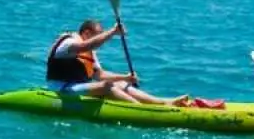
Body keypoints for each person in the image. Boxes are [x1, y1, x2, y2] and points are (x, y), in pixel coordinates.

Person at [46, 19, 188, 106]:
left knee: (121, 84)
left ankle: (163, 102)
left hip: (78, 86)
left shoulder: (90, 51)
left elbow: (99, 75)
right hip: (61, 88)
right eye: (97, 36)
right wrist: (113, 32)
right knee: (108, 87)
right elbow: (87, 46)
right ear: (87, 33)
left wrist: (125, 77)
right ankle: (141, 109)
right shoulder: (68, 43)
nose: (101, 43)